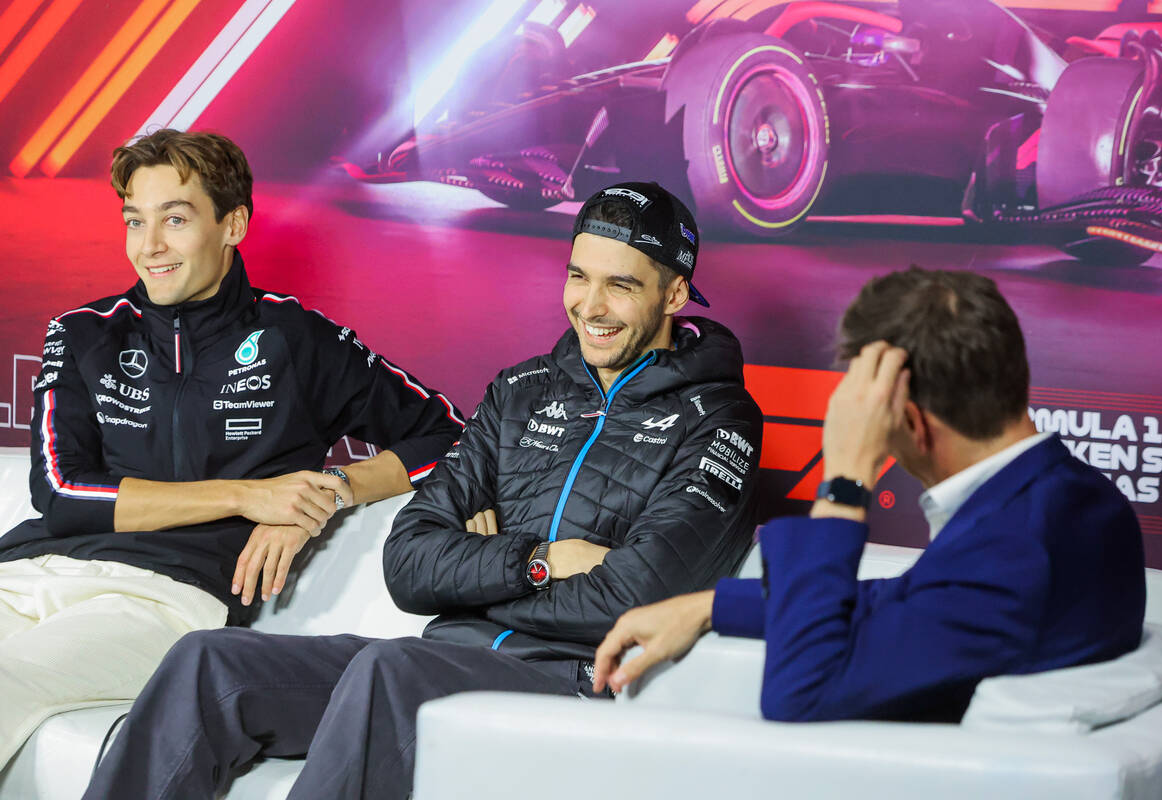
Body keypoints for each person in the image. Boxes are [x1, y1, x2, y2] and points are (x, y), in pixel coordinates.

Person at [83, 181, 763, 799]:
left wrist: (472, 575)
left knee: (389, 669)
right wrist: (538, 560)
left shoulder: (718, 421)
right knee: (209, 663)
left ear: (673, 295)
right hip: (440, 661)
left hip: (566, 684)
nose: (590, 306)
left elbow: (635, 596)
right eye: (578, 277)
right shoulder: (520, 391)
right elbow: (407, 563)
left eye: (621, 286)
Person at [0, 129, 464, 768]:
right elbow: (58, 493)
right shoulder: (84, 333)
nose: (149, 246)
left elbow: (451, 436)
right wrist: (250, 496)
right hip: (28, 573)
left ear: (234, 223)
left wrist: (327, 494)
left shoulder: (296, 338)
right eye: (136, 220)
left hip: (161, 599)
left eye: (176, 219)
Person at [594, 266, 1146, 724]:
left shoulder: (1017, 549)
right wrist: (712, 606)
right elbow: (911, 604)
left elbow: (801, 692)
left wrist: (846, 475)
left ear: (906, 419)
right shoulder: (1073, 501)